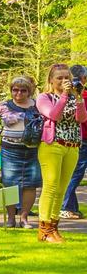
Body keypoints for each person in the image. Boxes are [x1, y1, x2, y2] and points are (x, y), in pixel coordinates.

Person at [35, 63, 86, 243]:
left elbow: (82, 118)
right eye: (60, 78)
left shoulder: (74, 97)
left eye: (67, 78)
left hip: (72, 146)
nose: (65, 81)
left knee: (62, 190)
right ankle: (44, 229)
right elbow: (54, 115)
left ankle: (54, 228)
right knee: (50, 187)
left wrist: (78, 97)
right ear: (51, 80)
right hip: (52, 146)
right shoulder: (44, 97)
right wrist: (64, 95)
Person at [0, 77, 42, 229]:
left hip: (32, 150)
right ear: (11, 91)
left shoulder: (37, 106)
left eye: (23, 90)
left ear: (29, 91)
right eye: (15, 90)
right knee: (9, 183)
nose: (19, 93)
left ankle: (24, 218)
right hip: (10, 150)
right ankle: (10, 219)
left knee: (30, 184)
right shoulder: (3, 106)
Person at [62, 65, 87, 219]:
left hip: (76, 138)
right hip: (81, 139)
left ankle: (71, 207)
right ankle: (66, 207)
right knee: (75, 174)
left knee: (74, 173)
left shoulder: (70, 94)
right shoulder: (80, 95)